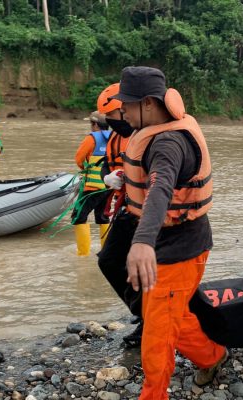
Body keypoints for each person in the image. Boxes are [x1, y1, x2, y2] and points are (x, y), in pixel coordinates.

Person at [109, 66, 227, 399]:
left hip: (180, 249)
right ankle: (214, 356)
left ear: (148, 103)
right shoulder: (155, 131)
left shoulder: (168, 143)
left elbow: (160, 189)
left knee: (156, 340)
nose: (123, 112)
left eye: (127, 106)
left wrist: (142, 242)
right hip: (172, 243)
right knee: (168, 315)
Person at [93, 83, 144, 348]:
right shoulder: (114, 137)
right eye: (108, 121)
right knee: (109, 261)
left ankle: (149, 319)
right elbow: (104, 167)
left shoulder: (149, 136)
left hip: (147, 215)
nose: (112, 124)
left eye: (113, 118)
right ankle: (141, 309)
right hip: (126, 210)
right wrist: (108, 179)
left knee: (144, 268)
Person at [72, 111, 111, 256]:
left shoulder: (91, 139)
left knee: (78, 216)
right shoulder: (114, 138)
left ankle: (83, 255)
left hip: (92, 187)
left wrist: (86, 169)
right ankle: (106, 252)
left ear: (95, 124)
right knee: (102, 217)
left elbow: (79, 159)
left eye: (91, 124)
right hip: (108, 187)